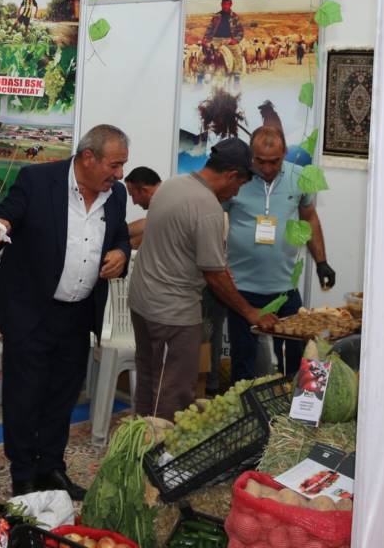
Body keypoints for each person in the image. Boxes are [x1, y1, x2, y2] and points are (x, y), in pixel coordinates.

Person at [0, 124, 132, 500]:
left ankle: (51, 467)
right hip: (32, 310)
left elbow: (119, 237)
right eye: (114, 165)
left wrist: (121, 255)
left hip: (78, 314)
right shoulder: (38, 179)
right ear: (87, 158)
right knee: (25, 395)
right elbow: (7, 214)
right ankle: (23, 473)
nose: (119, 174)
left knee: (62, 396)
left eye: (122, 166)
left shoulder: (115, 197)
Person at [127, 138, 280, 420]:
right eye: (240, 185)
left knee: (149, 381)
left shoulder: (173, 185)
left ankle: (140, 446)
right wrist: (250, 313)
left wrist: (219, 268)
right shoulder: (208, 207)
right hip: (172, 313)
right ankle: (162, 457)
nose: (236, 193)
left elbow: (182, 247)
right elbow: (214, 275)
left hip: (142, 304)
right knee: (174, 393)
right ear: (232, 175)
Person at [225, 126, 334, 380]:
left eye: (274, 161)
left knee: (295, 364)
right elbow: (210, 216)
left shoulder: (299, 178)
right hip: (241, 290)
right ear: (251, 156)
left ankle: (290, 414)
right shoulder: (237, 179)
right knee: (243, 365)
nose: (266, 168)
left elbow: (309, 218)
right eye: (259, 161)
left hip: (285, 289)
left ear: (285, 152)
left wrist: (322, 263)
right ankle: (247, 415)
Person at [123, 166, 162, 249]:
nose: (134, 202)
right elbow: (148, 223)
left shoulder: (168, 203)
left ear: (144, 191)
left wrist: (121, 249)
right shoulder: (163, 200)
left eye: (133, 195)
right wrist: (115, 232)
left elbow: (154, 233)